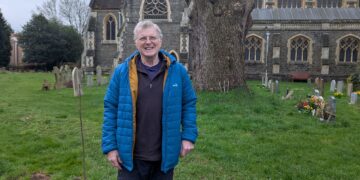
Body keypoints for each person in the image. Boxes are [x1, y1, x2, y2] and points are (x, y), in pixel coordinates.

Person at [102, 20, 198, 179]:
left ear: (160, 40)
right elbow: (110, 108)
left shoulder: (178, 71)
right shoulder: (122, 72)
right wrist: (111, 147)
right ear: (135, 42)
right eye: (142, 38)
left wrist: (188, 136)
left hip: (164, 157)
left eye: (152, 37)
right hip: (129, 158)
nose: (148, 42)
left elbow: (188, 104)